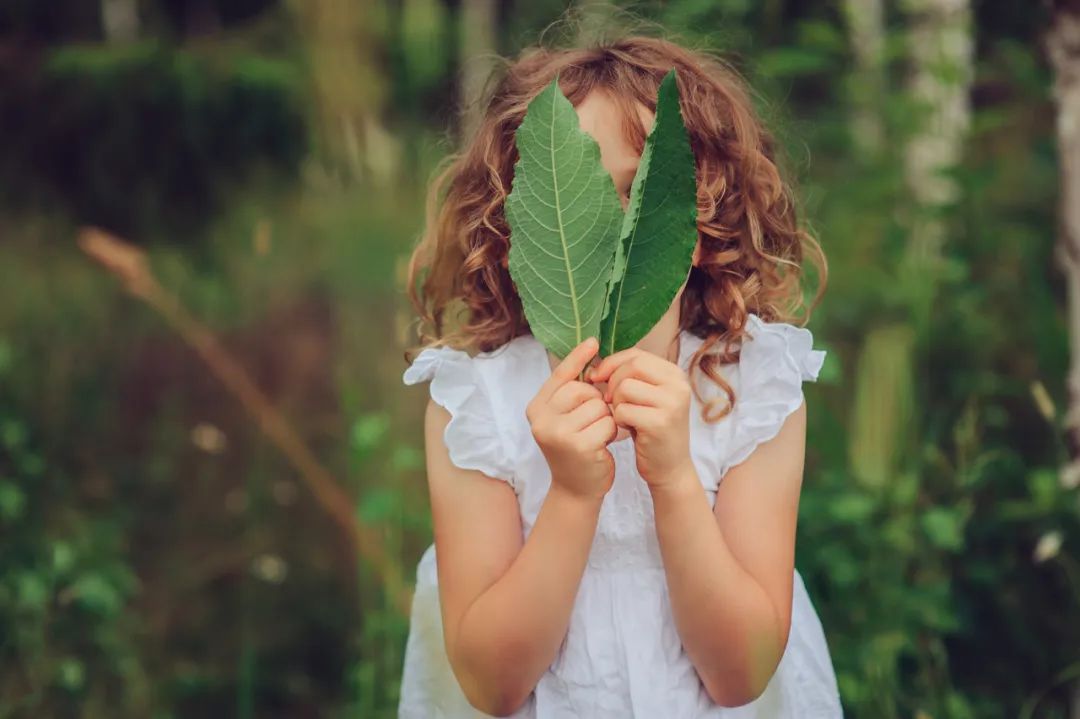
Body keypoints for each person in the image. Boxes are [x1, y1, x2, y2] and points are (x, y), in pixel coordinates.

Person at [397, 30, 843, 719]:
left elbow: (741, 674)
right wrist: (573, 495)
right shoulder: (475, 405)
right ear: (520, 224)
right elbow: (490, 685)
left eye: (639, 198)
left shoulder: (751, 384)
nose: (606, 237)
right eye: (571, 206)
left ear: (694, 221)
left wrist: (673, 478)